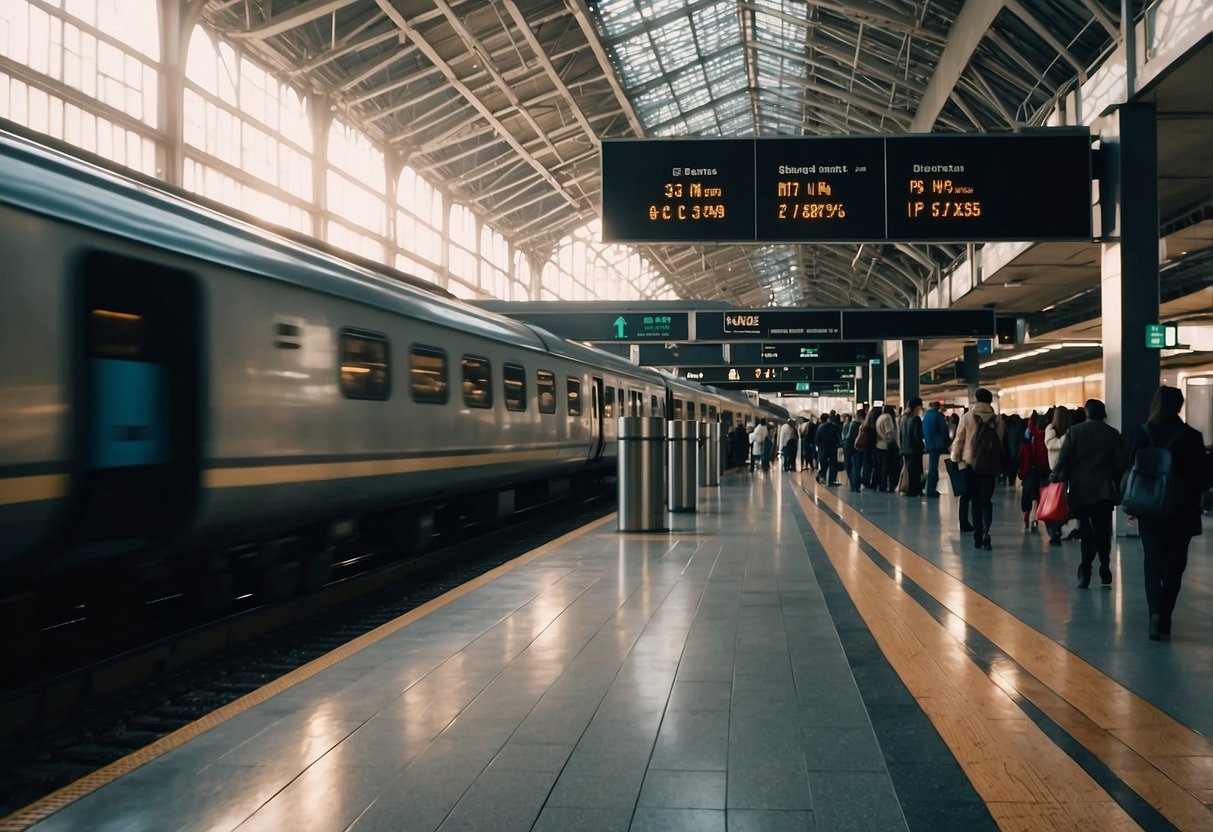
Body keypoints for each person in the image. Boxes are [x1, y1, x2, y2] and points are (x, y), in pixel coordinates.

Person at [1129, 386, 1208, 640]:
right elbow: (1204, 478)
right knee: (1175, 565)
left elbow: (1134, 469)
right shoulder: (1192, 436)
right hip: (1181, 511)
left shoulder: (1144, 433)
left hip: (1150, 509)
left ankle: (1154, 614)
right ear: (1179, 406)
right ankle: (1166, 615)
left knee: (1152, 563)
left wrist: (1132, 506)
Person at [1051, 399, 1125, 589]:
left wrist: (1055, 477)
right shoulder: (1113, 434)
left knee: (1085, 529)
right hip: (1104, 490)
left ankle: (1085, 567)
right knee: (1103, 530)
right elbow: (1120, 465)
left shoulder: (1075, 432)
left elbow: (1064, 457)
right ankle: (1105, 565)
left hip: (1081, 490)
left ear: (1087, 413)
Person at [951, 388, 1004, 549]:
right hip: (990, 466)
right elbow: (999, 442)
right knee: (986, 501)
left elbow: (959, 440)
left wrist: (955, 459)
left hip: (970, 465)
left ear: (976, 400)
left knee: (975, 501)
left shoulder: (967, 417)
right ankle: (987, 532)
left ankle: (978, 535)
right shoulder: (998, 420)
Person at [1043, 406, 1072, 544]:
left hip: (1065, 470)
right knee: (1056, 500)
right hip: (1055, 471)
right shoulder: (1051, 429)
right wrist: (1066, 438)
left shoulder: (1069, 430)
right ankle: (1055, 529)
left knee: (1061, 500)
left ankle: (1058, 528)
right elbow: (1051, 444)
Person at [1018, 414, 1050, 533]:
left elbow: (1025, 452)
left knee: (1028, 493)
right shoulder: (1046, 433)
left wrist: (1022, 470)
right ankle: (1034, 520)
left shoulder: (1029, 432)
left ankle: (1026, 515)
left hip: (1031, 469)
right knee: (1037, 495)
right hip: (1043, 468)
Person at [922, 400, 949, 497]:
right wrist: (947, 444)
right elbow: (944, 430)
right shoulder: (938, 416)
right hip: (937, 444)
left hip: (929, 444)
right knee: (933, 467)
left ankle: (929, 488)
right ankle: (931, 489)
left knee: (932, 466)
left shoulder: (926, 416)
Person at [899, 398, 925, 497]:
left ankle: (909, 488)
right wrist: (921, 446)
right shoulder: (916, 419)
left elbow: (900, 435)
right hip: (914, 449)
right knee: (916, 471)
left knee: (909, 470)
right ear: (917, 407)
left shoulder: (903, 418)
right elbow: (917, 436)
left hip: (905, 449)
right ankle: (915, 490)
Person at [816, 413, 842, 486]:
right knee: (833, 465)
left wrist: (818, 445)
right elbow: (839, 438)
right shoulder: (835, 427)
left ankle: (821, 476)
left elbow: (817, 439)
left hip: (823, 448)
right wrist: (839, 445)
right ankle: (831, 481)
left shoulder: (821, 427)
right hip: (833, 448)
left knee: (823, 463)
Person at [875, 405, 897, 492]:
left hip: (879, 445)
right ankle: (886, 485)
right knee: (888, 467)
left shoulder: (879, 417)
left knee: (881, 467)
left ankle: (881, 485)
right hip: (886, 446)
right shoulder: (887, 417)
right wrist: (892, 440)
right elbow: (889, 432)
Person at [842, 411, 861, 491]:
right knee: (857, 465)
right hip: (858, 447)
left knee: (850, 465)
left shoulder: (851, 425)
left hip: (849, 446)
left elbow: (848, 436)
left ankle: (853, 484)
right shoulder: (860, 425)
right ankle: (857, 484)